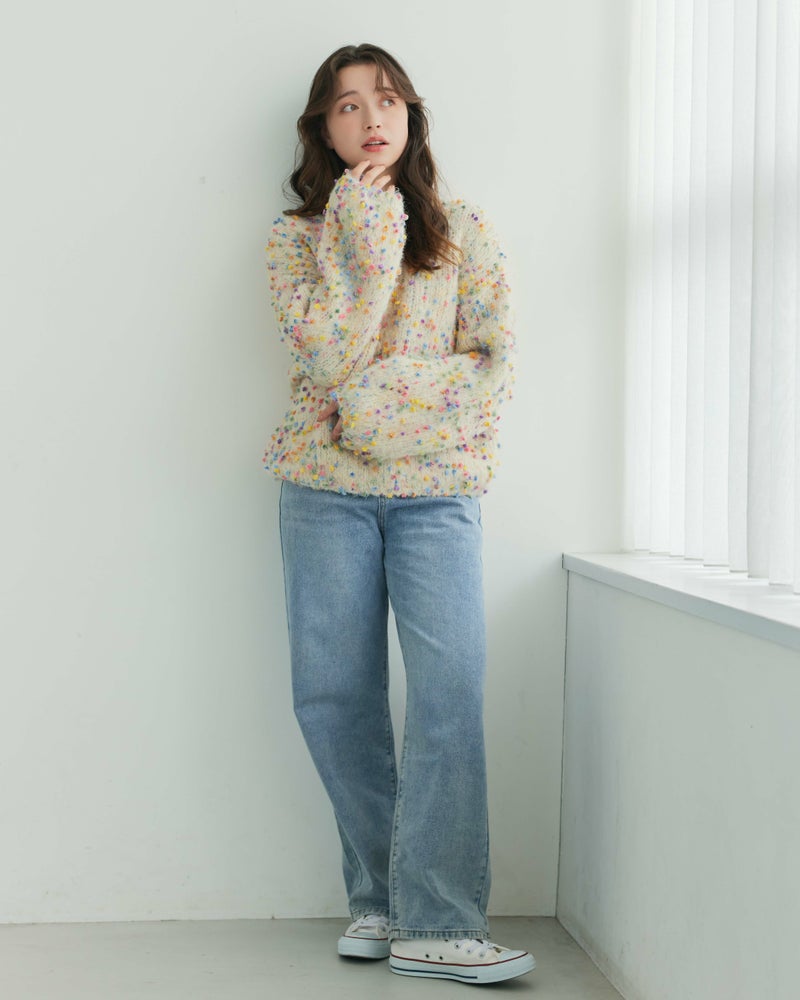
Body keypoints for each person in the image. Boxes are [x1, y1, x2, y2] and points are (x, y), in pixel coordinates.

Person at [264, 43, 534, 986]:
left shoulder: (464, 229)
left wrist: (371, 414)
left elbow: (490, 366)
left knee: (449, 692)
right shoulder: (297, 239)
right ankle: (385, 901)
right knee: (334, 697)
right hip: (321, 491)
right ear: (323, 129)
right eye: (346, 106)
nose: (370, 117)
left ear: (412, 114)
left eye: (385, 99)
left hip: (436, 494)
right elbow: (327, 357)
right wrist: (367, 229)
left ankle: (442, 921)